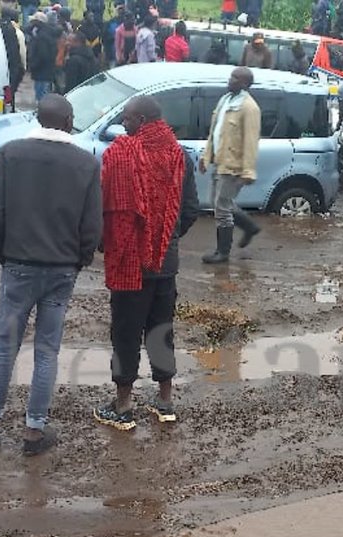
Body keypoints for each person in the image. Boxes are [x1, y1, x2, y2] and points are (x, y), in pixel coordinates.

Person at [0, 94, 102, 456]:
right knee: (47, 351)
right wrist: (79, 261)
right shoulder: (86, 164)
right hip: (61, 270)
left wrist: (3, 254)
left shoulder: (11, 155)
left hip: (18, 266)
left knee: (4, 347)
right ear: (69, 121)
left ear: (39, 120)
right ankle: (33, 432)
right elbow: (92, 225)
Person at [92, 96, 197, 430]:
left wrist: (105, 244)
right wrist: (168, 237)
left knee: (125, 331)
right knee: (161, 330)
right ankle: (165, 402)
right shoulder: (179, 155)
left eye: (126, 118)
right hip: (166, 266)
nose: (122, 124)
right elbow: (191, 209)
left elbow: (106, 208)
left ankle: (123, 406)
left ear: (140, 119)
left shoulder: (121, 156)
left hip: (129, 261)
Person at [200, 67, 261, 264]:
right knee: (217, 202)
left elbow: (251, 142)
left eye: (235, 78)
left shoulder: (249, 107)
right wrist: (206, 157)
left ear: (244, 84)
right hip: (220, 162)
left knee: (221, 208)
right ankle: (250, 226)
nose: (230, 80)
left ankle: (222, 252)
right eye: (231, 76)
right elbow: (215, 132)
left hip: (234, 166)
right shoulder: (226, 100)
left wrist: (248, 171)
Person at [28, 13, 59, 101]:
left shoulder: (42, 36)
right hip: (47, 71)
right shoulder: (48, 32)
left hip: (41, 72)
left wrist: (33, 65)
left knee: (41, 98)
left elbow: (42, 55)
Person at [0, 9, 26, 111]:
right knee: (11, 93)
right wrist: (23, 67)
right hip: (13, 67)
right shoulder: (18, 33)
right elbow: (22, 53)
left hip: (0, 65)